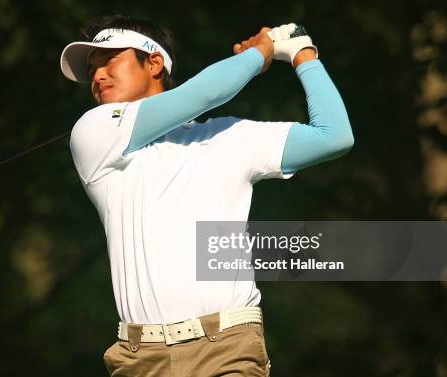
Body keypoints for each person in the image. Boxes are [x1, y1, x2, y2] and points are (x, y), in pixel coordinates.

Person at [60, 15, 353, 377]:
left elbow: (334, 136)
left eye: (109, 60)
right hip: (140, 359)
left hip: (227, 346)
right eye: (92, 70)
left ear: (154, 63)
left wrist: (301, 54)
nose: (98, 75)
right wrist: (259, 54)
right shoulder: (94, 132)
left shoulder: (231, 137)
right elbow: (202, 94)